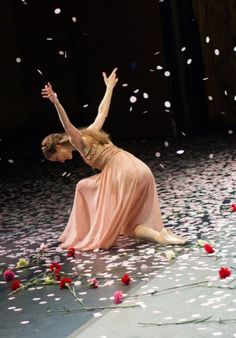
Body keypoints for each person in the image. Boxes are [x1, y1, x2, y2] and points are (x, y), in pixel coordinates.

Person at [41, 68, 186, 251]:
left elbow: (67, 125)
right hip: (138, 167)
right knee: (128, 224)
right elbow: (102, 113)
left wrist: (56, 101)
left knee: (86, 190)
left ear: (59, 146)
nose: (61, 161)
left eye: (56, 158)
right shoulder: (91, 132)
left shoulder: (77, 141)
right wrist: (109, 87)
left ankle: (158, 235)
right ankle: (161, 234)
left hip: (122, 172)